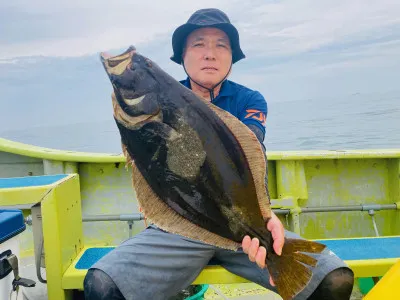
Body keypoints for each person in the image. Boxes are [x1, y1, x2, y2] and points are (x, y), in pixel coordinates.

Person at [83, 8, 354, 300]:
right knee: (102, 285)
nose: (209, 54)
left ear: (231, 58)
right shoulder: (158, 100)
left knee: (334, 279)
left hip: (246, 230)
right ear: (182, 57)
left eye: (220, 45)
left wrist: (263, 217)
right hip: (181, 230)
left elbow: (251, 149)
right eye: (198, 44)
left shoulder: (249, 100)